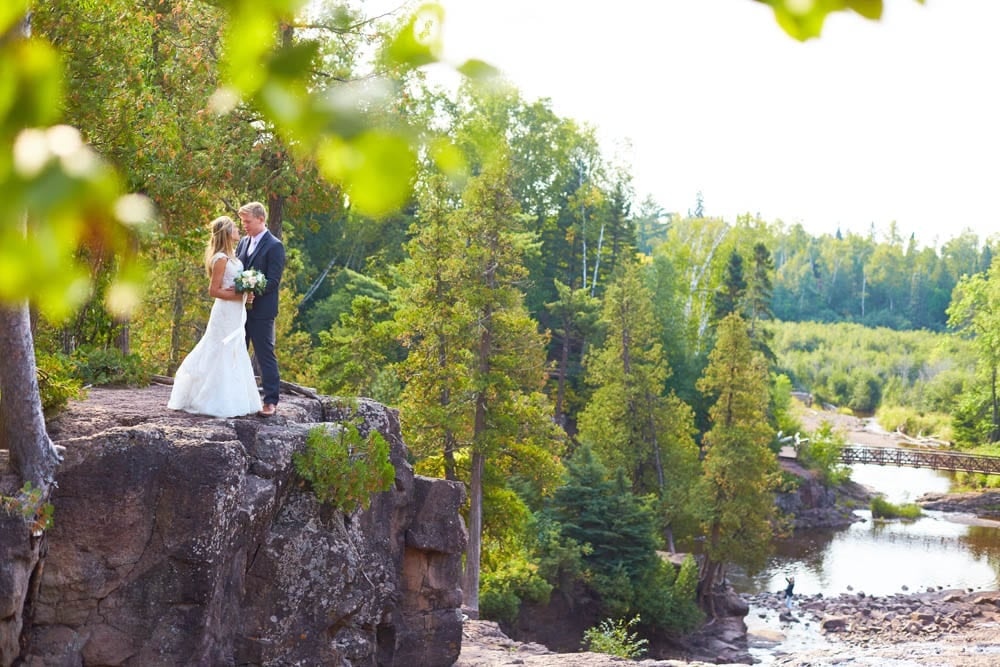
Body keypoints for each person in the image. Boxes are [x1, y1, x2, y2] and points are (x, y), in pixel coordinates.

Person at [168, 216, 263, 418]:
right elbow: (214, 291)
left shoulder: (234, 258)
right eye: (235, 228)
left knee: (235, 349)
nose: (239, 230)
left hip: (236, 311)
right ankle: (210, 398)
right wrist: (240, 294)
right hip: (224, 312)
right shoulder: (220, 259)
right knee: (220, 349)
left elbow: (234, 287)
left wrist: (247, 293)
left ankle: (236, 397)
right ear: (228, 233)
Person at [236, 201, 285, 417]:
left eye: (247, 221)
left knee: (265, 355)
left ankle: (271, 401)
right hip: (239, 309)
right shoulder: (243, 243)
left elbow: (274, 280)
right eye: (242, 221)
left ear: (261, 219)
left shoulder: (275, 245)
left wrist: (255, 290)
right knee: (237, 352)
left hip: (263, 310)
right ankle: (238, 397)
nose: (244, 225)